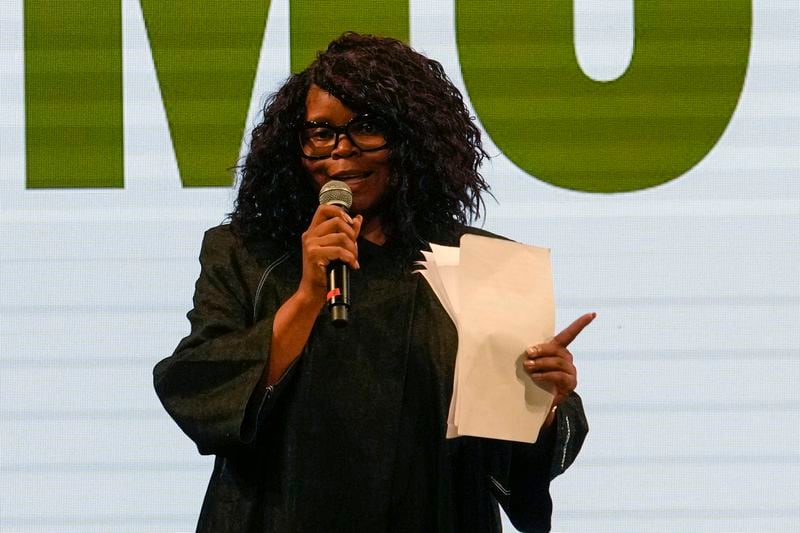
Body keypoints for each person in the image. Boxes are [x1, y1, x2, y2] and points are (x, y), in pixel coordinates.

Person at [154, 32, 593, 533]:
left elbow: (512, 464)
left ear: (412, 139)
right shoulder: (244, 253)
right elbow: (197, 386)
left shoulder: (484, 264)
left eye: (366, 128)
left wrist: (543, 401)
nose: (339, 151)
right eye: (320, 132)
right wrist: (306, 296)